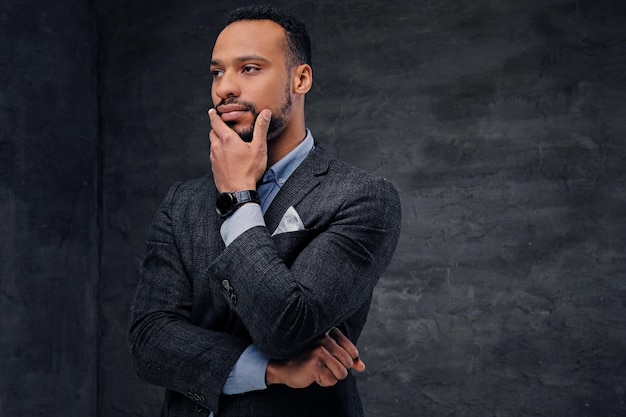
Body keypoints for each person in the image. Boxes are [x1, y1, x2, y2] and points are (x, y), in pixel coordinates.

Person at [128, 5, 401, 417]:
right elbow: (148, 341)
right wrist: (271, 369)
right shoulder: (181, 202)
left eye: (249, 68)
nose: (225, 88)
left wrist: (238, 196)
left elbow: (285, 328)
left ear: (301, 78)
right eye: (217, 72)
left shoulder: (362, 198)